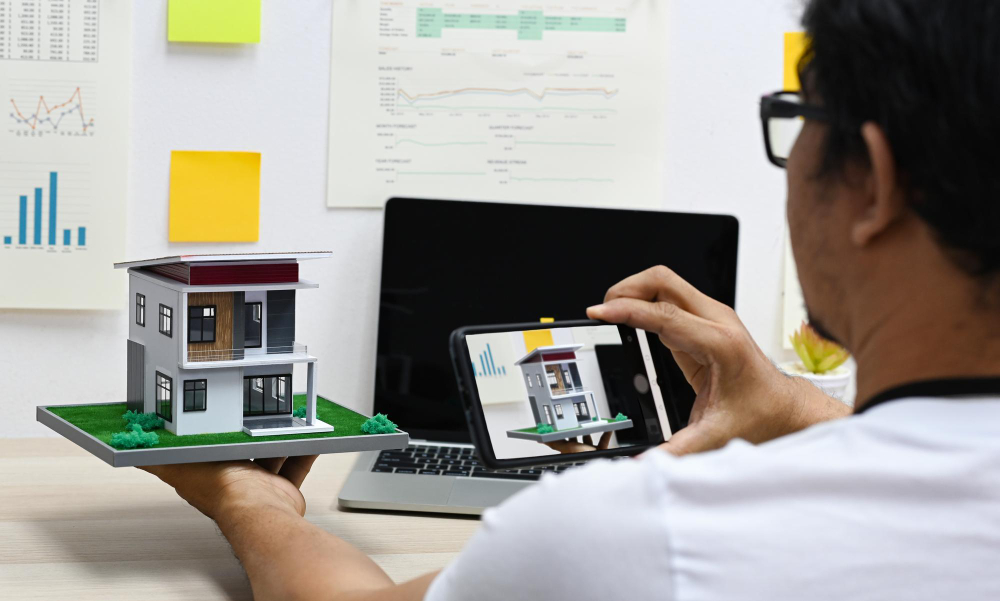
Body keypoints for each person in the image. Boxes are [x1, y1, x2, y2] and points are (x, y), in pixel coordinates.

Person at [143, 0, 1000, 598]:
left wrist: (252, 503)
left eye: (800, 116)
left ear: (873, 181)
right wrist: (796, 404)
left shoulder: (634, 534)